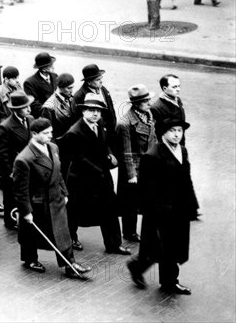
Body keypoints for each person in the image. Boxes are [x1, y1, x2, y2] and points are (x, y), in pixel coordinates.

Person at [13, 118, 92, 278]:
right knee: (31, 233)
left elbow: (59, 172)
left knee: (62, 231)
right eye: (46, 133)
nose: (50, 136)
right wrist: (26, 212)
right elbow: (21, 191)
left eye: (51, 132)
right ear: (34, 134)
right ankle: (30, 259)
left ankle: (70, 264)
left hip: (56, 199)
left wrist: (64, 192)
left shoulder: (53, 147)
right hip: (38, 203)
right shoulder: (24, 159)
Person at [127, 118, 199, 294]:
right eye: (172, 131)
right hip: (160, 211)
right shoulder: (152, 156)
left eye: (180, 131)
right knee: (164, 247)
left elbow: (186, 179)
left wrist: (192, 205)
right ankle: (167, 281)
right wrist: (158, 211)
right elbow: (146, 189)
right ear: (163, 133)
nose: (177, 134)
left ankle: (142, 269)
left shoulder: (182, 150)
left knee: (167, 247)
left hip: (179, 209)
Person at [62, 93, 131, 255]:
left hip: (101, 177)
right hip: (81, 179)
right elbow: (79, 158)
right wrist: (100, 169)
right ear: (83, 111)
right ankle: (71, 238)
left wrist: (110, 155)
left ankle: (114, 244)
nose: (95, 114)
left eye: (98, 111)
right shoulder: (75, 132)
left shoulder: (100, 124)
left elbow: (104, 144)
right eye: (91, 110)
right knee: (74, 211)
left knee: (110, 209)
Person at [115, 84, 157, 243]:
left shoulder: (148, 114)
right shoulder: (125, 123)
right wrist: (131, 175)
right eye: (146, 100)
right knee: (130, 203)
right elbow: (126, 152)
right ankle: (129, 233)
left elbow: (153, 139)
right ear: (136, 103)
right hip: (133, 169)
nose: (149, 103)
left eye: (149, 99)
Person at [0, 91, 34, 229]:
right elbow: (1, 154)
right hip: (13, 170)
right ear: (16, 109)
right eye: (25, 107)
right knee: (11, 199)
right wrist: (10, 173)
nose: (29, 109)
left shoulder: (30, 120)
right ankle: (10, 222)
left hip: (28, 167)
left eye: (29, 106)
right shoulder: (6, 126)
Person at [72, 64, 117, 148]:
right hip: (95, 136)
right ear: (89, 82)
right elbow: (78, 120)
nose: (101, 81)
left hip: (109, 133)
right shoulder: (79, 96)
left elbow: (111, 109)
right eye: (98, 79)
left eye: (101, 78)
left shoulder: (103, 89)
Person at [150, 74, 187, 145]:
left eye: (179, 86)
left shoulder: (177, 100)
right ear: (164, 89)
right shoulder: (156, 108)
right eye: (174, 87)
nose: (178, 89)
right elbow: (158, 135)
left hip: (180, 145)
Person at [41, 73, 76, 140]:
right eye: (69, 88)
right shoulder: (49, 107)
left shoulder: (72, 98)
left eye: (72, 87)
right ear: (60, 87)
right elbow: (47, 132)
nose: (72, 91)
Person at [23, 52, 58, 117]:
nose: (53, 67)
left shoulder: (55, 76)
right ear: (44, 69)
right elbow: (34, 105)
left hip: (56, 114)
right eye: (51, 65)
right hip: (42, 117)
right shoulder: (30, 82)